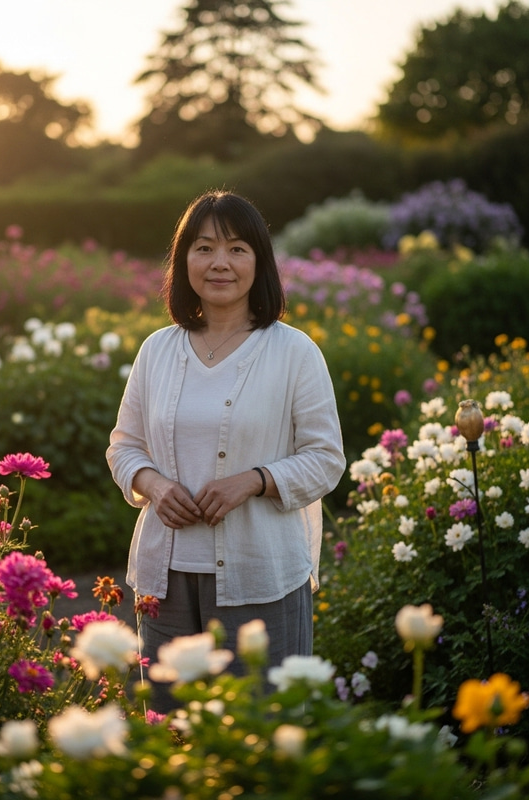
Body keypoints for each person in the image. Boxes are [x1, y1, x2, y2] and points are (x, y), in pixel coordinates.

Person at [106, 190, 346, 708]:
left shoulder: (294, 352)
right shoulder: (157, 350)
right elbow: (124, 447)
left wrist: (255, 481)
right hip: (165, 579)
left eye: (237, 249)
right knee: (172, 725)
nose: (220, 262)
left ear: (260, 262)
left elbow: (326, 459)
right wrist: (155, 485)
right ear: (183, 260)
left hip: (261, 574)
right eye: (204, 248)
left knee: (262, 723)